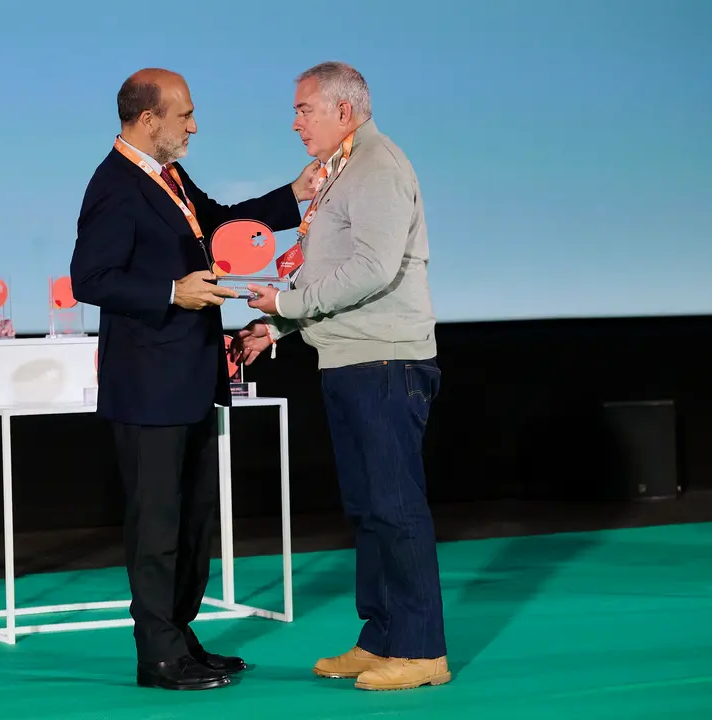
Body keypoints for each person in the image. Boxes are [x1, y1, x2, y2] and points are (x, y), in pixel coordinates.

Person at [69, 68, 319, 691]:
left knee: (191, 520)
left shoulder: (168, 176)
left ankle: (179, 635)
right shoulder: (114, 185)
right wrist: (169, 291)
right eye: (184, 116)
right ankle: (156, 655)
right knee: (155, 524)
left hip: (189, 377)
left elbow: (222, 224)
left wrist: (295, 193)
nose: (194, 126)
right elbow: (89, 279)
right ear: (147, 120)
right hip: (148, 385)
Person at [233, 61, 451, 692]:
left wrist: (286, 307)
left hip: (385, 359)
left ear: (344, 112)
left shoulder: (378, 167)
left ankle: (421, 650)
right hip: (350, 358)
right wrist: (274, 329)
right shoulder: (341, 173)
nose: (295, 121)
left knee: (396, 507)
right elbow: (325, 272)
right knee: (369, 509)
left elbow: (373, 269)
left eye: (305, 109)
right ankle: (381, 636)